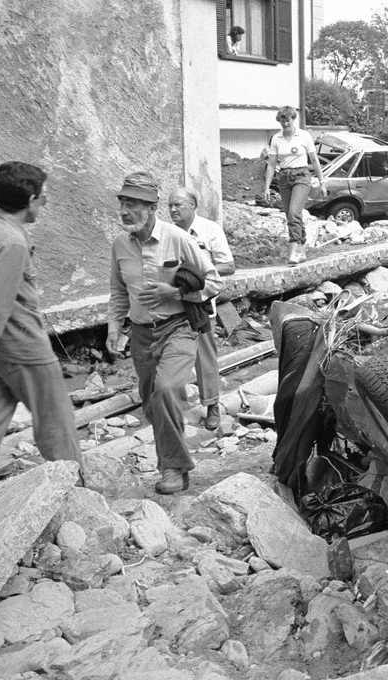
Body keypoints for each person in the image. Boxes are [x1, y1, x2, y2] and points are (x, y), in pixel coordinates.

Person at [0, 162, 83, 505]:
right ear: (31, 199)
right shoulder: (13, 242)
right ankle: (78, 497)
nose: (45, 203)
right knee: (56, 423)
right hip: (22, 348)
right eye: (43, 197)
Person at [107, 172, 221, 494]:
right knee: (152, 404)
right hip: (142, 334)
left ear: (152, 206)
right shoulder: (119, 244)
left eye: (133, 204)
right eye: (122, 204)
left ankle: (173, 468)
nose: (125, 211)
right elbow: (118, 292)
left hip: (179, 328)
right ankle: (174, 456)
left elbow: (214, 281)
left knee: (167, 390)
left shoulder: (177, 238)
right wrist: (114, 327)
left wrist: (175, 294)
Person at [167, 187, 235, 431]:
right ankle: (170, 409)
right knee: (170, 356)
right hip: (172, 302)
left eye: (178, 205)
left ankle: (212, 405)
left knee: (205, 357)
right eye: (170, 206)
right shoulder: (168, 233)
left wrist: (198, 271)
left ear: (193, 205)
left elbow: (228, 265)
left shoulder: (209, 230)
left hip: (201, 302)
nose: (173, 210)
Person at [262, 106, 329, 264]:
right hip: (284, 177)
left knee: (294, 213)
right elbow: (271, 164)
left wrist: (322, 182)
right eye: (283, 120)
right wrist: (266, 187)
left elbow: (314, 160)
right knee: (291, 215)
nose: (286, 123)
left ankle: (293, 253)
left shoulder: (304, 136)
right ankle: (301, 249)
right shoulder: (276, 139)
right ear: (280, 121)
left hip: (301, 176)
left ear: (294, 120)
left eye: (289, 120)